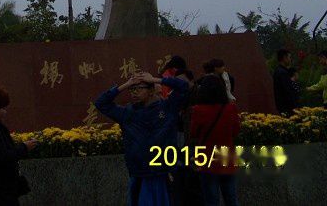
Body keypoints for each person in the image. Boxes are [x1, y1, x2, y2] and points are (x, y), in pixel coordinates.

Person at [95, 71, 188, 205]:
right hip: (139, 174)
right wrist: (126, 85)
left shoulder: (167, 108)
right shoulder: (127, 113)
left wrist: (155, 80)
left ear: (151, 90)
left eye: (139, 88)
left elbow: (184, 86)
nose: (134, 92)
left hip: (163, 173)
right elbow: (101, 103)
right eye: (132, 89)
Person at [190, 76, 240, 206]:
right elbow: (235, 131)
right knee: (231, 198)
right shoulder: (231, 108)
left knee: (211, 199)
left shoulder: (198, 110)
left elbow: (194, 133)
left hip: (207, 159)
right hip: (226, 157)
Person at [273, 49, 297, 115]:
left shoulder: (278, 71)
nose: (290, 60)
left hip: (282, 106)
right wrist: (294, 105)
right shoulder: (283, 73)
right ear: (284, 58)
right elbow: (287, 91)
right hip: (287, 107)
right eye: (289, 57)